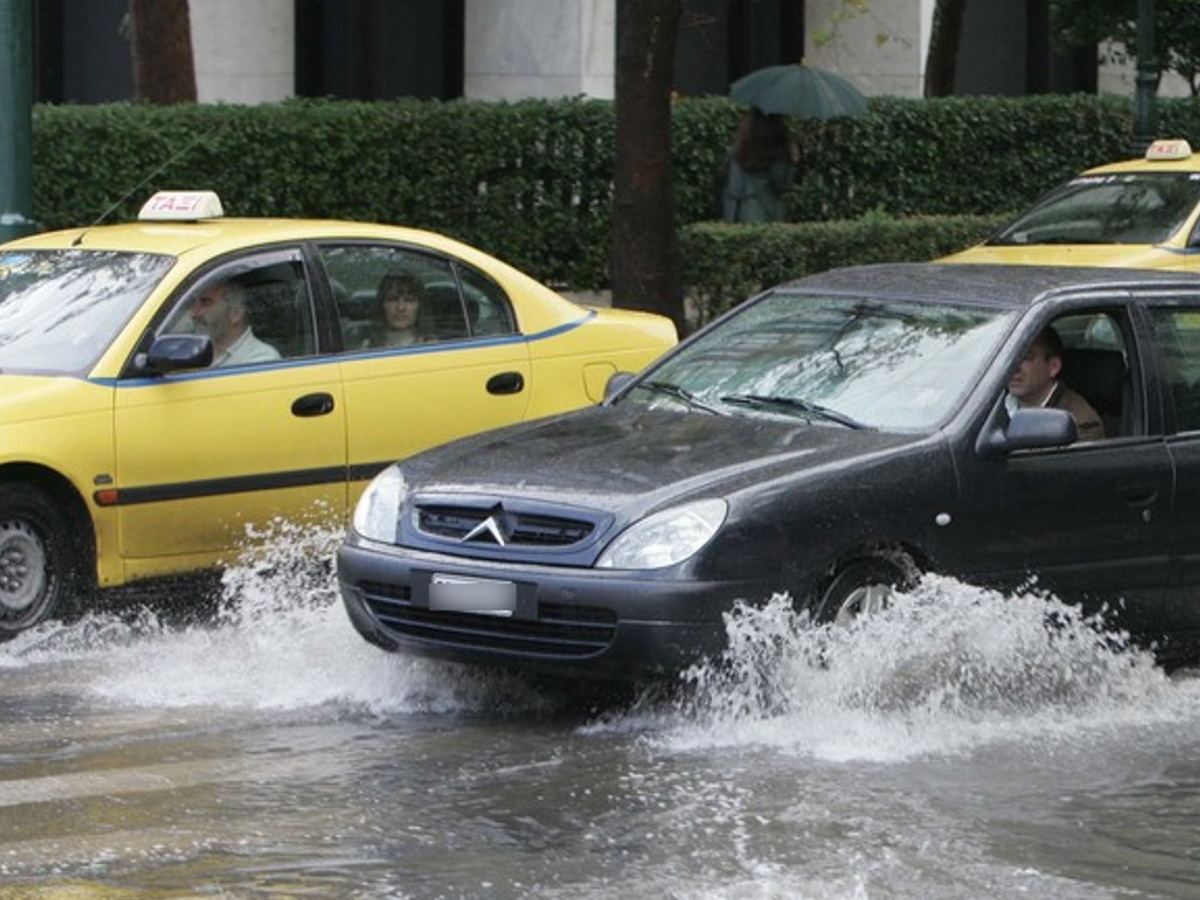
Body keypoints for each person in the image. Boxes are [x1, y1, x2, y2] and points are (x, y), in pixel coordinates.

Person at [1006, 326, 1104, 441]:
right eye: (1010, 356)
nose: (1013, 366)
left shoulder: (1079, 424)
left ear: (1053, 366)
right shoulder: (993, 399)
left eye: (1027, 357)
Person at [720, 108, 799, 224]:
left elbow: (726, 180)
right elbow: (781, 184)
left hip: (734, 214)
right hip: (764, 214)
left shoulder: (738, 147)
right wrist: (793, 161)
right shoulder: (776, 148)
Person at [188, 280, 281, 367]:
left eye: (205, 302)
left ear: (235, 313)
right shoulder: (195, 351)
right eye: (193, 303)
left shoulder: (261, 360)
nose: (194, 313)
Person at [364, 272, 429, 348]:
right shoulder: (366, 349)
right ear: (382, 305)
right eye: (393, 300)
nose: (400, 308)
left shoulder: (435, 347)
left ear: (420, 305)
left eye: (409, 300)